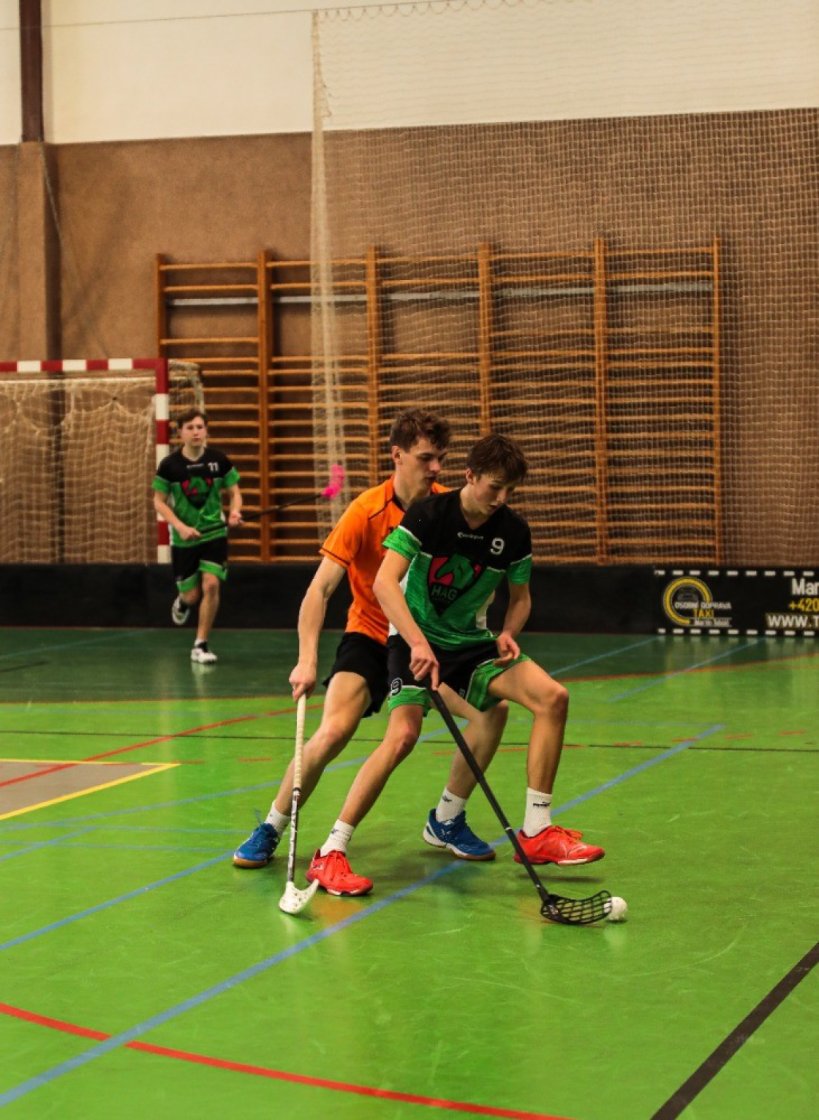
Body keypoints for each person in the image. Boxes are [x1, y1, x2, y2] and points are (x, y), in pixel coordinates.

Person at [306, 433, 603, 897]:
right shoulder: (429, 514)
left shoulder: (513, 531)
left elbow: (521, 598)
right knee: (402, 737)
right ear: (470, 476)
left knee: (552, 698)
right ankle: (331, 851)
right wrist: (417, 642)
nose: (500, 499)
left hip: (470, 643)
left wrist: (509, 631)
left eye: (510, 491)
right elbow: (384, 583)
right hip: (413, 639)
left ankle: (535, 830)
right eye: (494, 487)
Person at [232, 410, 508, 884]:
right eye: (425, 458)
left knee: (491, 713)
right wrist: (306, 659)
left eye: (441, 459)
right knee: (333, 732)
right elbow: (319, 590)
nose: (435, 468)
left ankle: (447, 818)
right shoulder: (366, 511)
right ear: (397, 455)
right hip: (370, 638)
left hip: (425, 645)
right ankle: (272, 826)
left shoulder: (450, 509)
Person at [152, 408, 242, 664]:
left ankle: (200, 644)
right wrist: (179, 526)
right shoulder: (169, 466)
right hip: (184, 539)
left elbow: (234, 492)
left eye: (200, 427)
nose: (196, 432)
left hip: (214, 534)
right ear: (180, 432)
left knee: (211, 585)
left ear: (206, 431)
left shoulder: (218, 460)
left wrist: (235, 512)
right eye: (190, 427)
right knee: (192, 596)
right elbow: (158, 502)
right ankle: (182, 602)